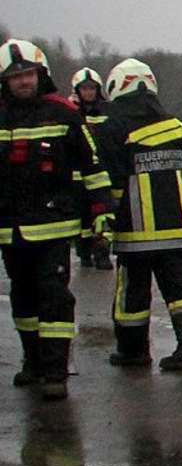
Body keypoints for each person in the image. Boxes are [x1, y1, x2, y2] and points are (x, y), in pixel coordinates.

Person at [0, 39, 111, 397]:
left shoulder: (63, 112)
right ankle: (32, 362)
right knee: (23, 298)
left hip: (54, 227)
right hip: (10, 229)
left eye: (28, 74)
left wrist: (100, 213)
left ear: (40, 73)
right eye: (15, 77)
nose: (22, 82)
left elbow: (92, 168)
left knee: (54, 297)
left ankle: (55, 372)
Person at [94, 58, 182, 370]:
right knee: (180, 289)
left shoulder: (113, 128)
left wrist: (105, 222)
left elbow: (112, 183)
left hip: (134, 230)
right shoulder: (177, 127)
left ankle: (133, 351)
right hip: (174, 229)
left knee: (132, 294)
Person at [70, 70, 114, 270]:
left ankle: (102, 251)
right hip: (77, 175)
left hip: (102, 173)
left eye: (92, 88)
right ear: (77, 90)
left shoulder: (107, 111)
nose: (89, 92)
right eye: (85, 88)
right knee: (82, 217)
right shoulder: (70, 112)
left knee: (103, 213)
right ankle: (84, 251)